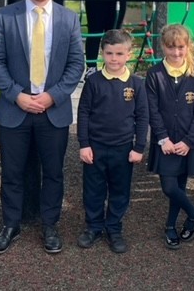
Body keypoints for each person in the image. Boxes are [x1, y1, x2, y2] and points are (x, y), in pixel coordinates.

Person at [0, 0, 85, 255]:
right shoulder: (6, 16)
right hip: (15, 108)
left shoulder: (69, 19)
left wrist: (52, 96)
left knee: (54, 172)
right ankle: (10, 225)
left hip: (52, 110)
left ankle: (50, 225)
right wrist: (17, 94)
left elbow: (76, 63)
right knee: (12, 172)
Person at [76, 29, 148, 254]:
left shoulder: (136, 84)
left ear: (129, 54)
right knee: (93, 190)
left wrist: (139, 147)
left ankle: (114, 228)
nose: (114, 59)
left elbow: (142, 116)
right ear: (102, 53)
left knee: (120, 190)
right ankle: (94, 227)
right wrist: (84, 144)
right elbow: (84, 113)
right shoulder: (93, 81)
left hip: (123, 148)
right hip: (95, 148)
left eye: (119, 53)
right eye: (109, 53)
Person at [145, 24, 194, 250]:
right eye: (171, 48)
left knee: (179, 186)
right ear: (163, 47)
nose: (176, 53)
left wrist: (189, 141)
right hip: (165, 144)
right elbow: (152, 110)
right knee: (169, 187)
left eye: (181, 47)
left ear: (188, 47)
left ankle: (171, 226)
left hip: (186, 143)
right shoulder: (154, 75)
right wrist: (163, 138)